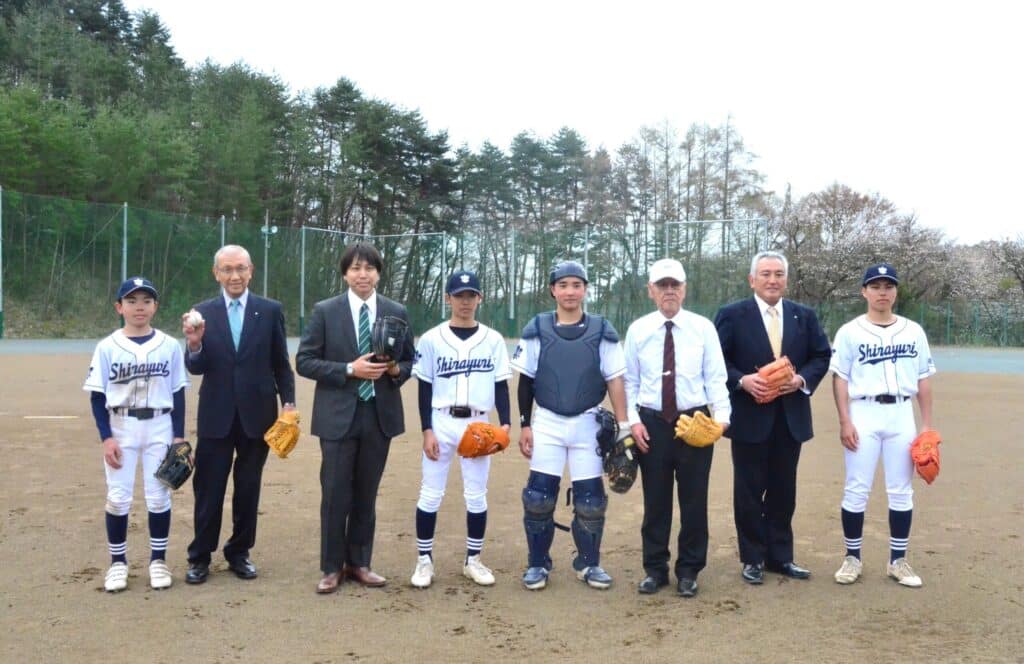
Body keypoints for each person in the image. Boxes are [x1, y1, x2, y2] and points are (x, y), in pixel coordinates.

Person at [296, 242, 415, 595]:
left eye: (369, 268)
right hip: (337, 417)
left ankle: (360, 563)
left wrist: (395, 369)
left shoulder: (396, 311)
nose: (362, 274)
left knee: (366, 492)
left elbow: (409, 360)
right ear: (345, 274)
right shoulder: (325, 311)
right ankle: (332, 567)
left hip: (379, 416)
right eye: (355, 268)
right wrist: (350, 369)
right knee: (335, 493)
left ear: (378, 273)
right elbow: (304, 361)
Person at [714, 250, 831, 584]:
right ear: (752, 280)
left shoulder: (803, 316)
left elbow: (821, 355)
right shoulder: (732, 315)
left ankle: (780, 557)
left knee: (783, 490)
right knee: (748, 491)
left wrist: (801, 379)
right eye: (765, 274)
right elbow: (716, 361)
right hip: (749, 417)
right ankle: (752, 558)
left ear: (786, 280)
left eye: (778, 274)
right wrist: (742, 381)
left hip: (790, 418)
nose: (772, 280)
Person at [181, 245, 296, 585]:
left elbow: (281, 363)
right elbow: (196, 367)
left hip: (258, 416)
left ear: (251, 270)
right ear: (216, 273)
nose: (235, 276)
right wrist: (194, 344)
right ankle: (200, 556)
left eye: (241, 268)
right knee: (209, 489)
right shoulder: (201, 313)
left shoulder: (270, 311)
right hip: (215, 416)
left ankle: (239, 552)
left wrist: (289, 403)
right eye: (227, 269)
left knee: (248, 488)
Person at [512, 260, 629, 591]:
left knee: (591, 501)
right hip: (547, 421)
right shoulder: (537, 328)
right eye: (563, 285)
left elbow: (615, 380)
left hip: (588, 421)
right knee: (538, 497)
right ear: (553, 290)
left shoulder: (602, 330)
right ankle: (538, 563)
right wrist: (525, 424)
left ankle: (589, 563)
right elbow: (526, 381)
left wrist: (623, 426)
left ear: (585, 290)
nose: (570, 292)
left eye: (577, 285)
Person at [623, 259, 731, 598]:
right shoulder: (638, 330)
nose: (669, 291)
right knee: (655, 501)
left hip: (694, 422)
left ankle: (689, 570)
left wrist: (722, 420)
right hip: (651, 423)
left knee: (694, 501)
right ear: (651, 290)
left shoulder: (703, 328)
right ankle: (655, 569)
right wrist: (633, 421)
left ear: (684, 289)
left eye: (675, 285)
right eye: (662, 285)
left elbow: (716, 377)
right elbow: (629, 382)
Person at [829, 263, 936, 587]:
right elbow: (840, 378)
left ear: (896, 292)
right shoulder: (850, 331)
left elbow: (923, 379)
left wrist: (927, 426)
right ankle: (852, 558)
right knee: (856, 488)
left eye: (888, 286)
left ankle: (897, 561)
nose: (882, 292)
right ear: (864, 292)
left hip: (902, 414)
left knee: (901, 490)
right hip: (864, 412)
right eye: (875, 286)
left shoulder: (913, 331)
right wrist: (845, 420)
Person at [84, 277, 189, 592]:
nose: (139, 307)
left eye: (146, 301)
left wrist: (178, 436)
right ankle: (118, 563)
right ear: (119, 307)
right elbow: (97, 397)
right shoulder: (107, 347)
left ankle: (158, 561)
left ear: (155, 306)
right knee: (118, 498)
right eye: (131, 301)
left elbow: (178, 391)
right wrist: (106, 438)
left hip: (160, 424)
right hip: (121, 426)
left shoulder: (169, 345)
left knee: (158, 496)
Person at [409, 270, 512, 588]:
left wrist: (505, 424)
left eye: (471, 295)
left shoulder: (493, 340)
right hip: (441, 420)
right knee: (430, 494)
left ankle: (473, 560)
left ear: (480, 298)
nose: (465, 301)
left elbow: (501, 386)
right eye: (459, 296)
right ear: (448, 298)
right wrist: (427, 430)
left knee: (476, 496)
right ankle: (424, 561)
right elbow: (424, 387)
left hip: (478, 423)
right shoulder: (431, 339)